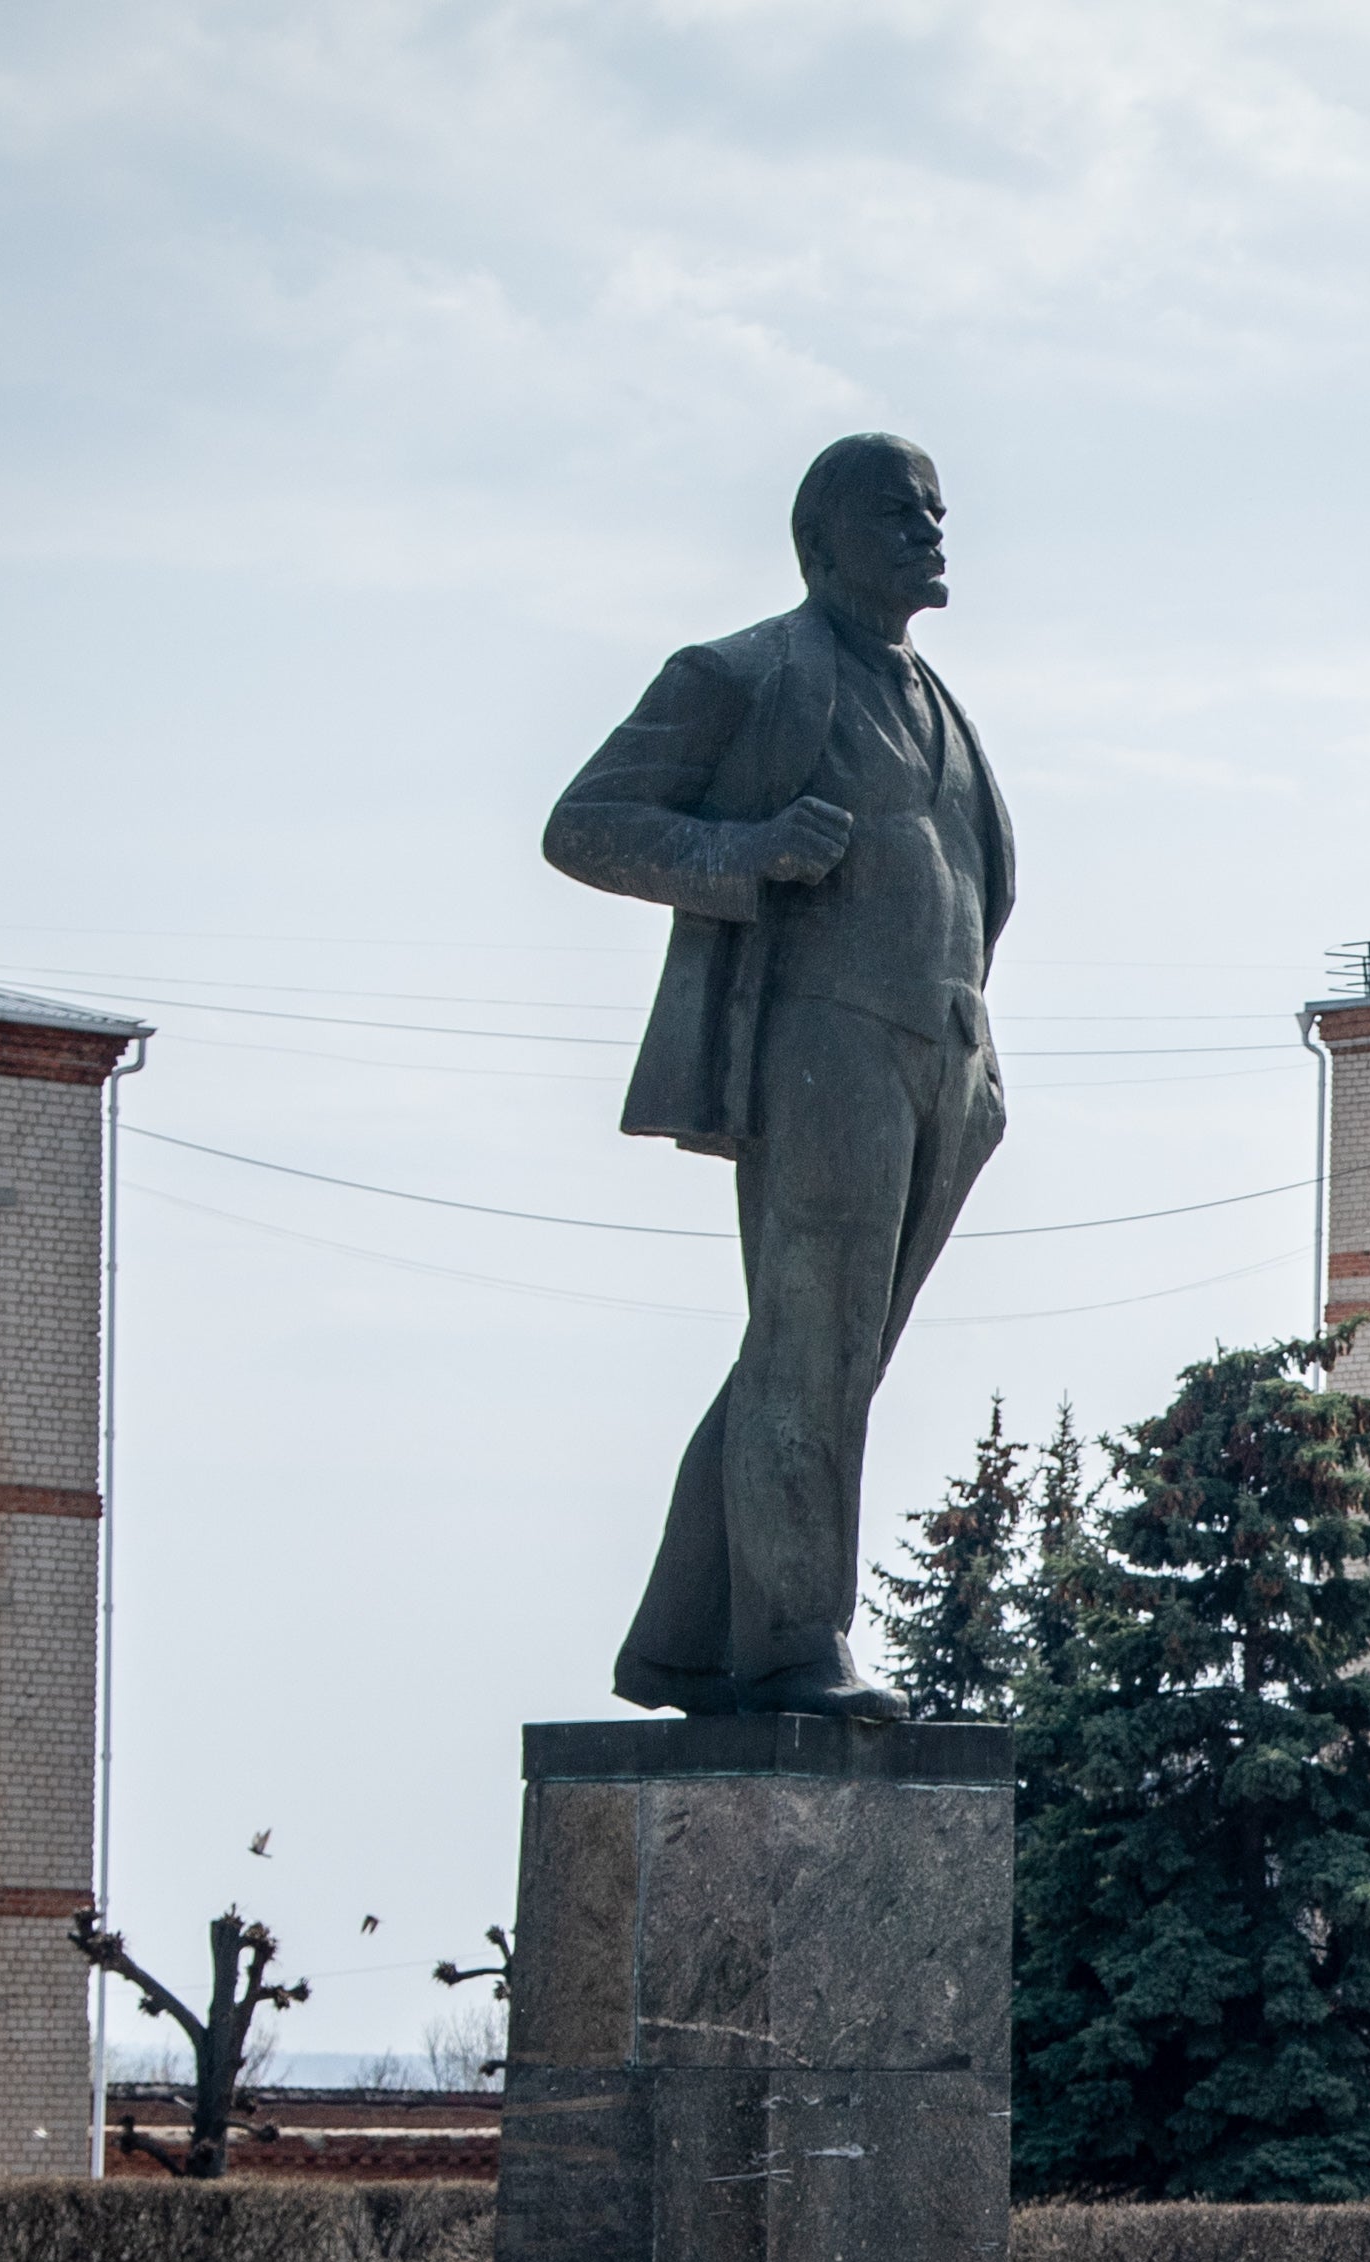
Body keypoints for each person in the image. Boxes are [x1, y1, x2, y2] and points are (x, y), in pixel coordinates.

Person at [544, 433, 1018, 1719]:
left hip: (945, 1061)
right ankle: (795, 1641)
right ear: (821, 542)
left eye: (936, 507)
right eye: (895, 511)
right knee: (810, 1347)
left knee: (820, 1358)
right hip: (821, 1042)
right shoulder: (744, 672)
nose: (929, 529)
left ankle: (688, 1642)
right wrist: (749, 851)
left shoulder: (942, 703)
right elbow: (585, 824)